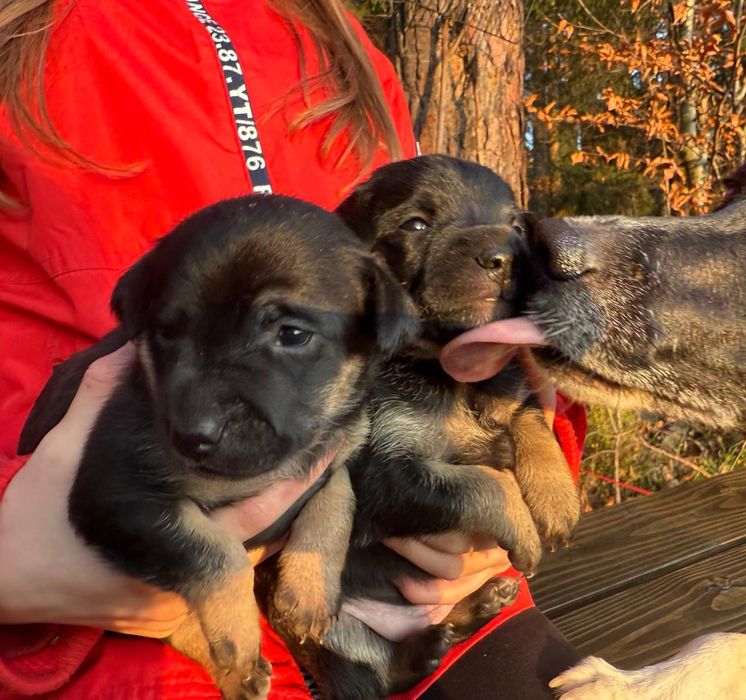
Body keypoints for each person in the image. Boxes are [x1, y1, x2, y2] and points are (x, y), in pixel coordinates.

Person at [0, 1, 586, 697]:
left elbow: (418, 331)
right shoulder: (29, 39)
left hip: (419, 608)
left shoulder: (343, 50)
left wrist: (519, 461)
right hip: (109, 645)